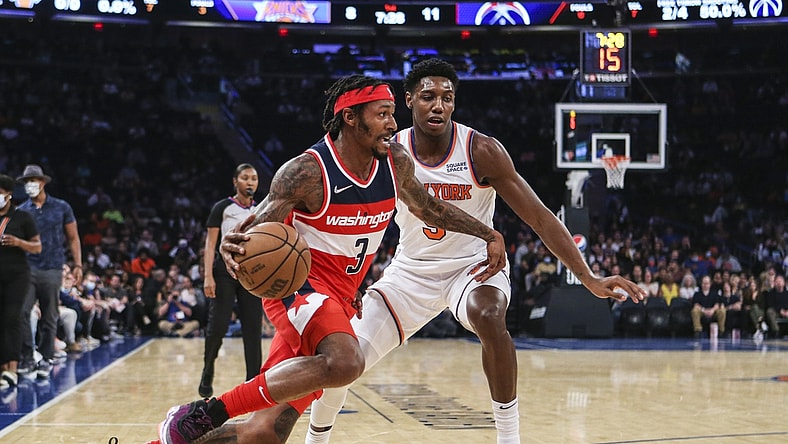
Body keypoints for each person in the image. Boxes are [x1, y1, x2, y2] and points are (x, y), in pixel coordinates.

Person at [185, 59, 646, 444]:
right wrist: (244, 236)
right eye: (428, 96)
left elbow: (542, 217)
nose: (439, 105)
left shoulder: (480, 150)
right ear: (409, 102)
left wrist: (588, 277)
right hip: (408, 273)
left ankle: (509, 437)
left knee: (489, 315)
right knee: (339, 362)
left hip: (473, 267)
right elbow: (411, 207)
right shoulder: (387, 150)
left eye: (447, 97)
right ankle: (313, 437)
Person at [156, 74, 510, 444]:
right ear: (351, 118)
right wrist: (235, 247)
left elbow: (430, 208)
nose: (393, 124)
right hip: (298, 288)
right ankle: (205, 412)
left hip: (339, 298)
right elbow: (257, 229)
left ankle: (169, 438)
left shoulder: (395, 161)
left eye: (392, 113)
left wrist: (488, 232)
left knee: (265, 432)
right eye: (383, 114)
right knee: (346, 362)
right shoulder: (307, 171)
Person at [199, 163, 263, 399]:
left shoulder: (262, 209)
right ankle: (207, 372)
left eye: (254, 178)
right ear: (235, 182)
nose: (250, 182)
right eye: (245, 178)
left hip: (252, 274)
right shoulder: (222, 207)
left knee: (253, 329)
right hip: (224, 272)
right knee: (217, 327)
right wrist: (207, 276)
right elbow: (210, 244)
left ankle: (253, 382)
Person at [16, 164, 83, 378]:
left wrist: (78, 264)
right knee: (22, 312)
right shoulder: (21, 211)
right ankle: (27, 358)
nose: (29, 185)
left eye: (32, 181)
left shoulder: (62, 207)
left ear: (42, 182)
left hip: (53, 267)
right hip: (27, 268)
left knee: (50, 315)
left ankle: (46, 358)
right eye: (26, 182)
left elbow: (73, 237)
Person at [0, 174, 42, 389]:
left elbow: (37, 247)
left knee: (12, 318)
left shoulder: (22, 217)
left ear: (8, 194)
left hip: (17, 274)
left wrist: (18, 242)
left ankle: (12, 368)